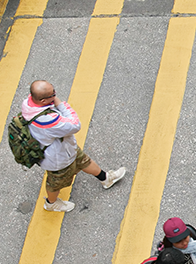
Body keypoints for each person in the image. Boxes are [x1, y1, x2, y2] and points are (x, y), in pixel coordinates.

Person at [19, 80, 126, 212]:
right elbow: (75, 125)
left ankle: (105, 178)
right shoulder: (48, 120)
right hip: (58, 159)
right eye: (52, 94)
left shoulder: (29, 104)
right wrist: (60, 104)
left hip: (65, 149)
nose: (55, 96)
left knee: (83, 160)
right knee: (55, 183)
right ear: (42, 101)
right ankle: (51, 203)